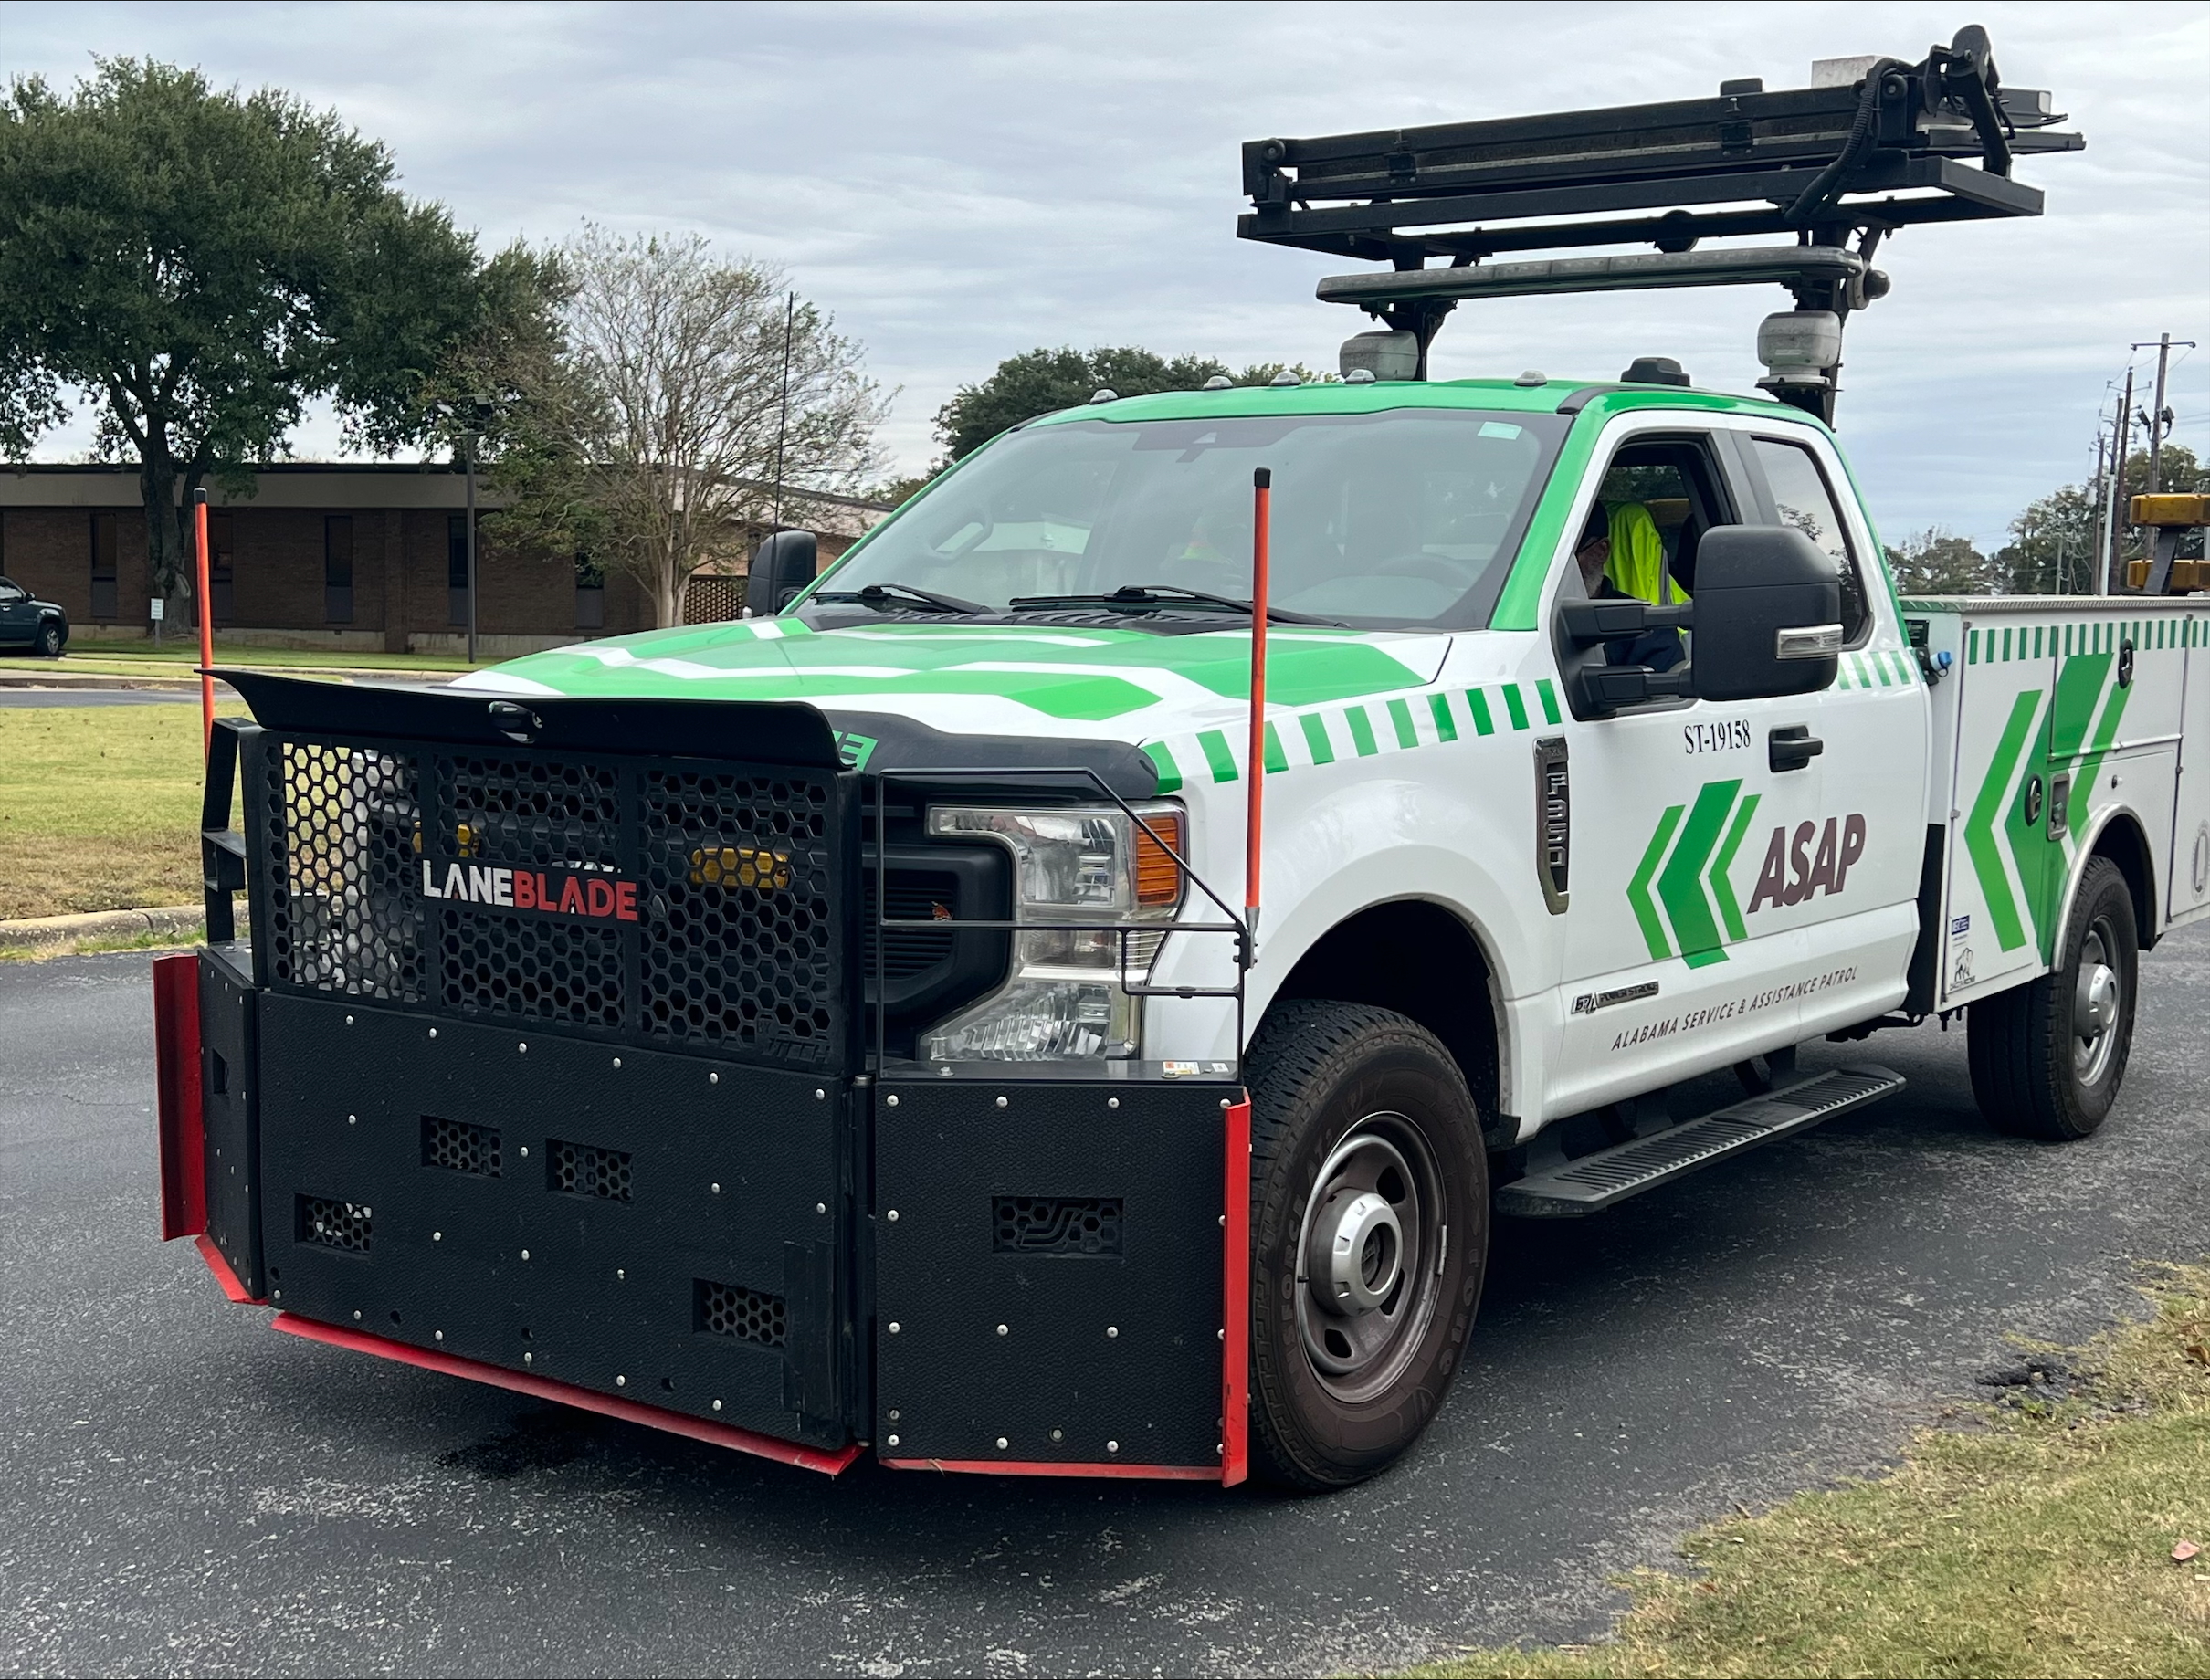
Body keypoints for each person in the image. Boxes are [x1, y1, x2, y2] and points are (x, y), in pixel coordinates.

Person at [1575, 502, 1685, 670]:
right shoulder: (1524, 624)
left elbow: (1662, 694)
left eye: (1571, 556)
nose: (1552, 568)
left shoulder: (1649, 633)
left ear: (1601, 551)